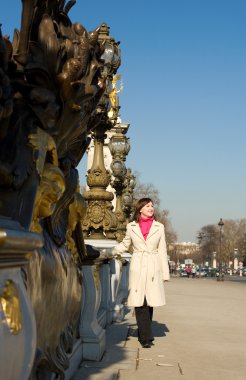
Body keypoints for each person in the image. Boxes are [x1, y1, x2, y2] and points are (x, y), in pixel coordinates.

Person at [112, 197, 170, 348]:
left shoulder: (159, 227)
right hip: (138, 265)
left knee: (149, 301)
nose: (151, 208)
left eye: (152, 206)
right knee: (140, 302)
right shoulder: (131, 226)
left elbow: (162, 250)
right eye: (148, 206)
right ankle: (145, 337)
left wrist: (165, 273)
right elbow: (126, 244)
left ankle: (144, 332)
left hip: (152, 265)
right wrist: (111, 251)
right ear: (140, 209)